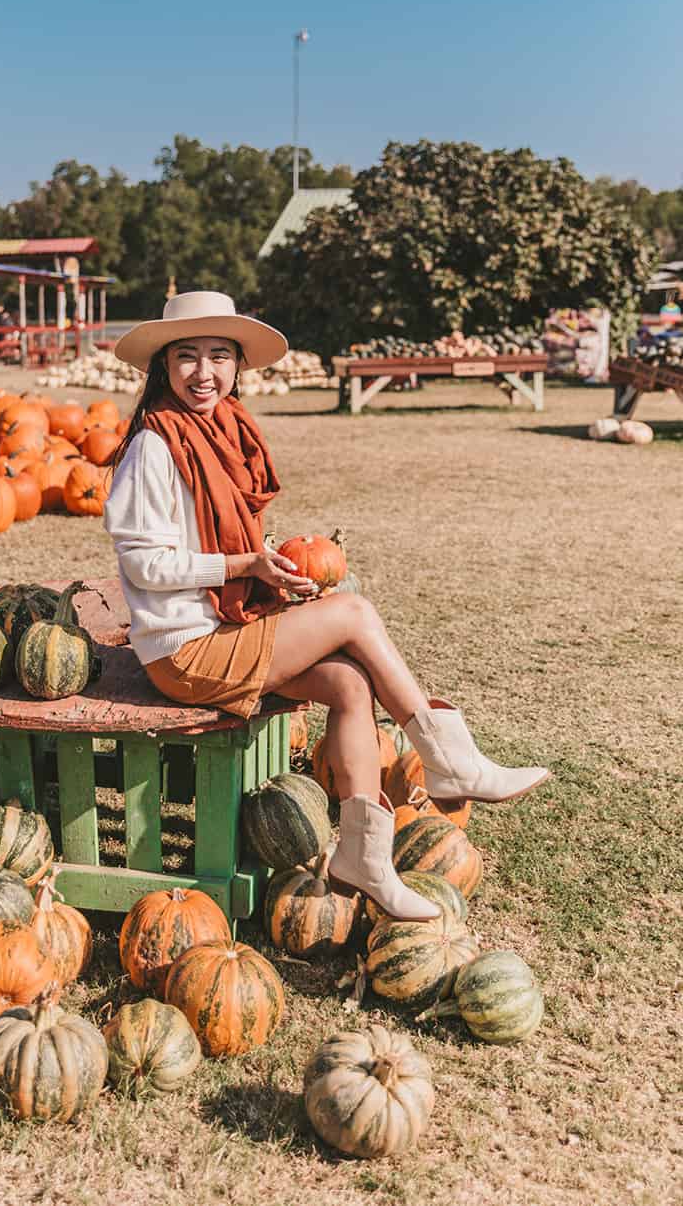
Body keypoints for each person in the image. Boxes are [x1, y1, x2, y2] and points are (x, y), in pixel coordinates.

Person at [103, 292, 550, 921]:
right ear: (163, 366)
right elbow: (143, 565)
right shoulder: (154, 446)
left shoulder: (222, 431)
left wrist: (269, 575)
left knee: (347, 683)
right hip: (182, 652)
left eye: (218, 356)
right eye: (187, 356)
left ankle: (363, 857)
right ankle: (449, 761)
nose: (204, 371)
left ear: (237, 366)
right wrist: (242, 566)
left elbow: (221, 537)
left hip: (220, 628)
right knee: (355, 613)